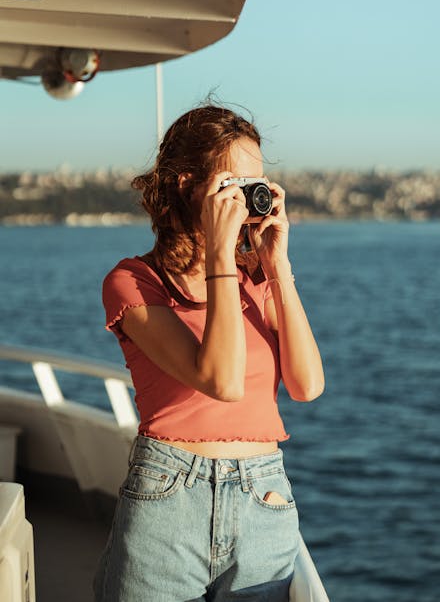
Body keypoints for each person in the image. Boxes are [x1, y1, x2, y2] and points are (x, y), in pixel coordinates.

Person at [93, 104, 325, 602]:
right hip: (169, 498)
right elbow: (221, 380)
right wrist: (220, 254)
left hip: (263, 495)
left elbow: (307, 386)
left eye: (255, 185)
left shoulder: (256, 280)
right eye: (233, 186)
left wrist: (276, 264)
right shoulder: (134, 282)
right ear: (186, 184)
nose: (247, 201)